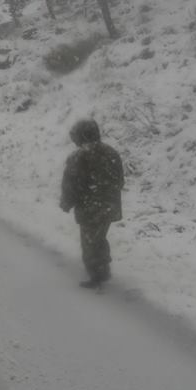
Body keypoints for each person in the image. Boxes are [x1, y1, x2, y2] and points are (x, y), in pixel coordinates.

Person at [60, 118, 124, 288]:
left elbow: (71, 184)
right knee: (99, 237)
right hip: (110, 206)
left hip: (90, 207)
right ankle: (103, 267)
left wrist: (67, 202)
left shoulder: (79, 156)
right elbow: (120, 181)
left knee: (89, 242)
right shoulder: (111, 153)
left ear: (80, 137)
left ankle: (97, 275)